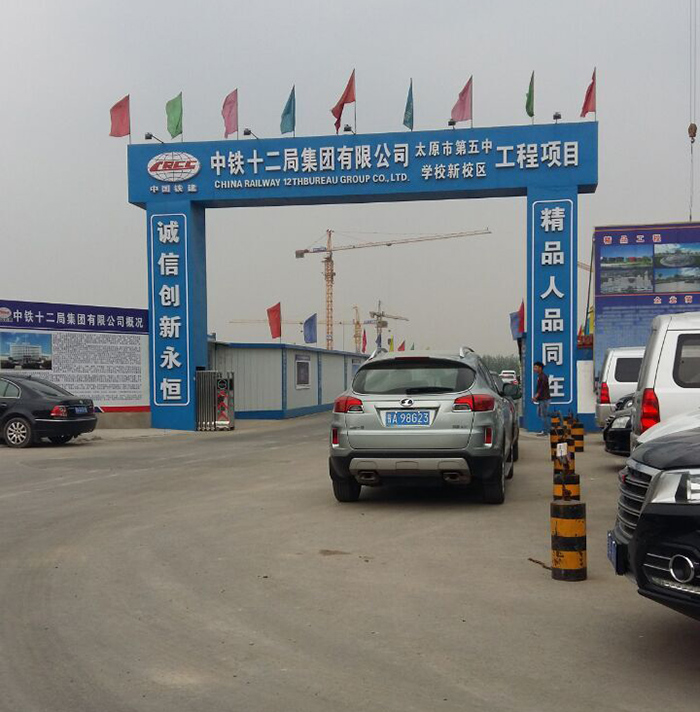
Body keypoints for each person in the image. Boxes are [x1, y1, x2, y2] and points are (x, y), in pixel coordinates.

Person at [532, 361, 551, 436]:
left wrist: (536, 395)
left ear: (540, 368)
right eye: (534, 367)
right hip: (541, 399)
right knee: (540, 413)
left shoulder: (543, 376)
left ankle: (545, 431)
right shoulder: (539, 376)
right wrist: (537, 397)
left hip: (544, 398)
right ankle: (556, 414)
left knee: (543, 415)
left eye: (535, 367)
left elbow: (542, 388)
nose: (534, 369)